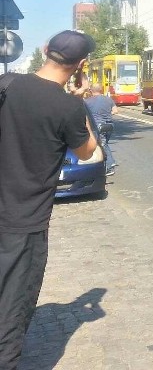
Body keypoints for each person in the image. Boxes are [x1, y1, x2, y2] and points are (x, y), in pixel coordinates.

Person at [0, 30, 98, 368]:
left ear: (45, 50)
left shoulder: (6, 83)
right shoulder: (67, 106)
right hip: (23, 223)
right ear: (81, 65)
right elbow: (88, 151)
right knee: (11, 309)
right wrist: (79, 100)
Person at [84, 84, 118, 176]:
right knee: (104, 144)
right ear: (101, 90)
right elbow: (115, 111)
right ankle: (105, 164)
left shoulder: (87, 101)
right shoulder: (108, 99)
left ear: (91, 91)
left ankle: (110, 165)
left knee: (102, 145)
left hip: (98, 126)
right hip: (109, 125)